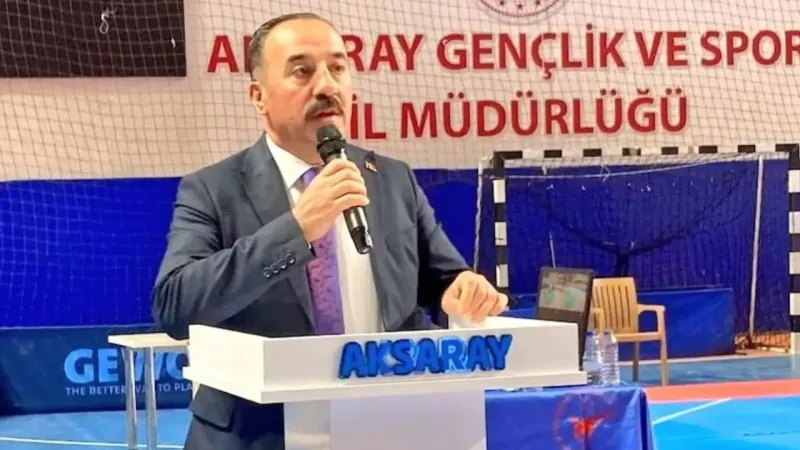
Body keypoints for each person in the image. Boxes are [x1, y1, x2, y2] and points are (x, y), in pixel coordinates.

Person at [151, 12, 509, 450]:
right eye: (302, 71)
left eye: (338, 68)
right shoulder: (214, 189)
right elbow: (175, 305)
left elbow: (442, 279)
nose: (326, 86)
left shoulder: (391, 179)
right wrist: (297, 228)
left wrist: (463, 289)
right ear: (259, 96)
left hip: (387, 430)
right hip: (260, 436)